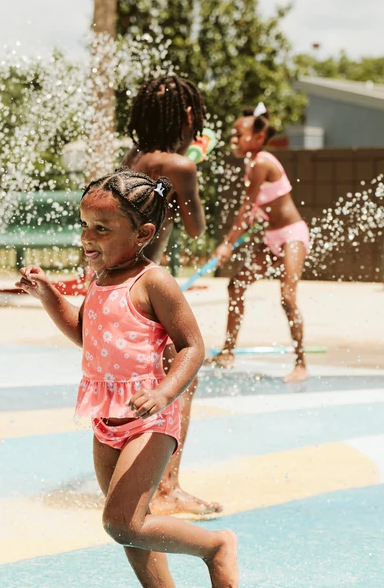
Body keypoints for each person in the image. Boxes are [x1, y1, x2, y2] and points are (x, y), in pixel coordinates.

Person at [17, 169, 238, 588]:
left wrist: (164, 392)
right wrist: (48, 295)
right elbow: (86, 334)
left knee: (121, 522)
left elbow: (193, 346)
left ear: (143, 233)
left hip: (150, 420)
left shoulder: (152, 281)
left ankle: (215, 547)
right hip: (106, 416)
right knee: (132, 529)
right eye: (83, 224)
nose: (87, 236)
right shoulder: (98, 277)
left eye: (102, 228)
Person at [120, 75, 220, 519]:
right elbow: (196, 229)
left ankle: (135, 478)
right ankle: (166, 487)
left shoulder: (131, 159)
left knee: (141, 380)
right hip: (147, 283)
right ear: (187, 117)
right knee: (183, 370)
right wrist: (192, 163)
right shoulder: (179, 166)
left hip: (115, 285)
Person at [212, 104, 311, 383]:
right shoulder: (252, 164)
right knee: (236, 285)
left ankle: (301, 364)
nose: (233, 139)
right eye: (232, 134)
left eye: (237, 135)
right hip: (271, 239)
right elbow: (256, 209)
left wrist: (227, 244)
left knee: (287, 297)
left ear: (256, 139)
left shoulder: (261, 163)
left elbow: (245, 208)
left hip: (292, 235)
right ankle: (227, 352)